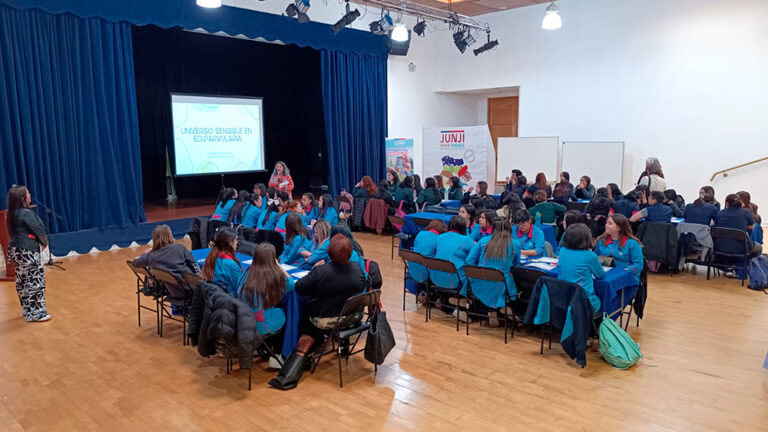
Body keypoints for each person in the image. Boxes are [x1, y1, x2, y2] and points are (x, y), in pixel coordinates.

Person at [295, 234, 367, 345]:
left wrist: (312, 270)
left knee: (304, 309)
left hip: (325, 318)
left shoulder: (321, 271)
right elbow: (363, 287)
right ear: (350, 252)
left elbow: (299, 287)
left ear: (329, 251)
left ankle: (308, 348)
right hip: (353, 316)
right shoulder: (356, 268)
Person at [6, 185, 50, 322]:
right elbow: (38, 229)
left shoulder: (13, 212)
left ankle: (28, 311)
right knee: (35, 279)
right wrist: (44, 242)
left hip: (17, 250)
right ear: (23, 197)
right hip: (28, 249)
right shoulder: (24, 212)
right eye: (28, 193)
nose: (30, 194)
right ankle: (37, 313)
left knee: (23, 281)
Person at [465, 219, 521, 326]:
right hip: (501, 285)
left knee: (491, 286)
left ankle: (491, 311)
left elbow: (469, 261)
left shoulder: (483, 241)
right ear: (509, 230)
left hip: (480, 283)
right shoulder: (515, 244)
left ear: (494, 229)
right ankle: (502, 307)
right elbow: (516, 264)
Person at [238, 243, 292, 338]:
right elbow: (292, 285)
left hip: (244, 320)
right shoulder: (273, 276)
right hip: (260, 324)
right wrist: (279, 266)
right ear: (273, 259)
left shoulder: (247, 273)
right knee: (284, 312)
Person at [432, 217, 476, 313]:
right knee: (474, 273)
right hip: (454, 280)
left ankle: (445, 301)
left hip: (435, 277)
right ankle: (466, 305)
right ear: (463, 227)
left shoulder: (440, 237)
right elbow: (474, 257)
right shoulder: (467, 240)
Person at [558, 223, 606, 312]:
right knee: (603, 301)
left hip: (563, 299)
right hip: (582, 302)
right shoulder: (590, 255)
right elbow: (601, 275)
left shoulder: (562, 251)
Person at [133, 225, 200, 279]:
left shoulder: (151, 256)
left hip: (172, 290)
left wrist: (146, 254)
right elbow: (194, 266)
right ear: (170, 236)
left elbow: (135, 263)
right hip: (189, 286)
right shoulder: (180, 248)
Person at [594, 214, 644, 281]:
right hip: (605, 273)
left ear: (619, 227)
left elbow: (638, 264)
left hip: (626, 275)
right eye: (606, 223)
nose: (606, 225)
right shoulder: (602, 241)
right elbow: (595, 258)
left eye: (610, 223)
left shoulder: (632, 244)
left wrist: (625, 271)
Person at [201, 228, 244, 296]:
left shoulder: (212, 256)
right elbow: (241, 288)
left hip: (215, 298)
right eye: (236, 239)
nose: (237, 242)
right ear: (230, 242)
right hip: (230, 301)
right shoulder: (231, 264)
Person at [410, 219, 447, 295]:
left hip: (413, 269)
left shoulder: (420, 233)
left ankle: (424, 293)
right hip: (427, 273)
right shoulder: (439, 239)